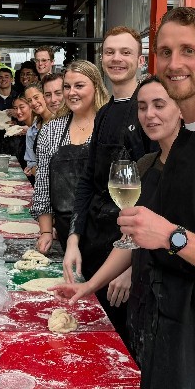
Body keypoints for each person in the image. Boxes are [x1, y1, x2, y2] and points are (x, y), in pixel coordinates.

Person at [54, 8, 195, 388]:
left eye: (188, 51)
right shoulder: (179, 142)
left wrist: (171, 237)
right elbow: (140, 236)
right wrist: (89, 286)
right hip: (165, 333)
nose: (174, 63)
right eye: (165, 52)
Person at [65, 26, 155, 342]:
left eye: (125, 52)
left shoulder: (149, 112)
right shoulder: (103, 114)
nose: (116, 59)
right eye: (110, 52)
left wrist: (136, 266)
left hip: (129, 254)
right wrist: (73, 240)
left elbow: (158, 195)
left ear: (141, 61)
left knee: (120, 347)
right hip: (94, 243)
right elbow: (87, 182)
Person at [31, 60, 109, 253]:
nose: (71, 92)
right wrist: (46, 232)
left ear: (96, 86)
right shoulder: (51, 129)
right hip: (65, 230)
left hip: (105, 231)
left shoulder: (108, 126)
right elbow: (42, 185)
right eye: (67, 87)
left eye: (79, 86)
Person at [23, 83, 53, 183]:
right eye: (29, 101)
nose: (34, 103)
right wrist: (33, 169)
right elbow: (31, 163)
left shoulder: (59, 121)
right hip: (42, 184)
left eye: (36, 97)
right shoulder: (32, 130)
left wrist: (35, 170)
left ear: (45, 95)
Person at [6, 94, 33, 167]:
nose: (18, 112)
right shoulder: (24, 126)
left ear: (31, 106)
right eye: (15, 108)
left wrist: (29, 130)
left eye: (22, 107)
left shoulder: (37, 127)